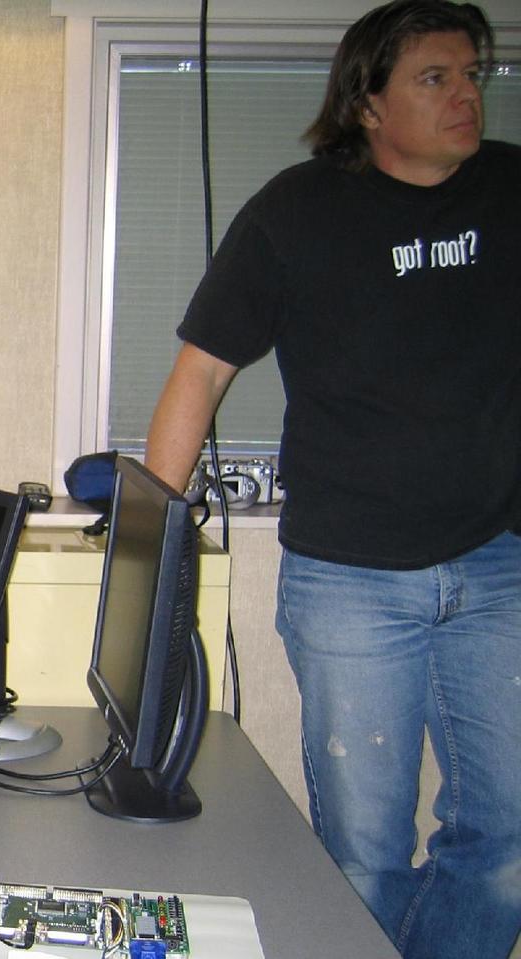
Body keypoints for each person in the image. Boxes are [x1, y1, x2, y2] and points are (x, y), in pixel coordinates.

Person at [145, 1, 521, 956]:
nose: (465, 95)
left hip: (498, 565)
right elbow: (203, 370)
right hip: (351, 581)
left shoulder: (513, 190)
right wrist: (153, 540)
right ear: (367, 102)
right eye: (434, 78)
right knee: (364, 857)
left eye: (472, 75)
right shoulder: (296, 213)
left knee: (508, 844)